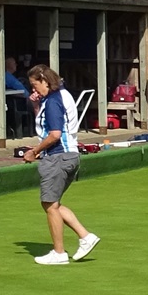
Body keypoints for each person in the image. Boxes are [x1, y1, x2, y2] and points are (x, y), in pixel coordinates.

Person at [23, 64, 101, 266]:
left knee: (49, 204)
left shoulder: (53, 101)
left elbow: (55, 134)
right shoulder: (57, 97)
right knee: (54, 204)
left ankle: (59, 253)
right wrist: (36, 105)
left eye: (34, 85)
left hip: (58, 157)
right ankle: (85, 236)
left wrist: (35, 151)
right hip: (68, 156)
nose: (33, 90)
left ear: (44, 80)